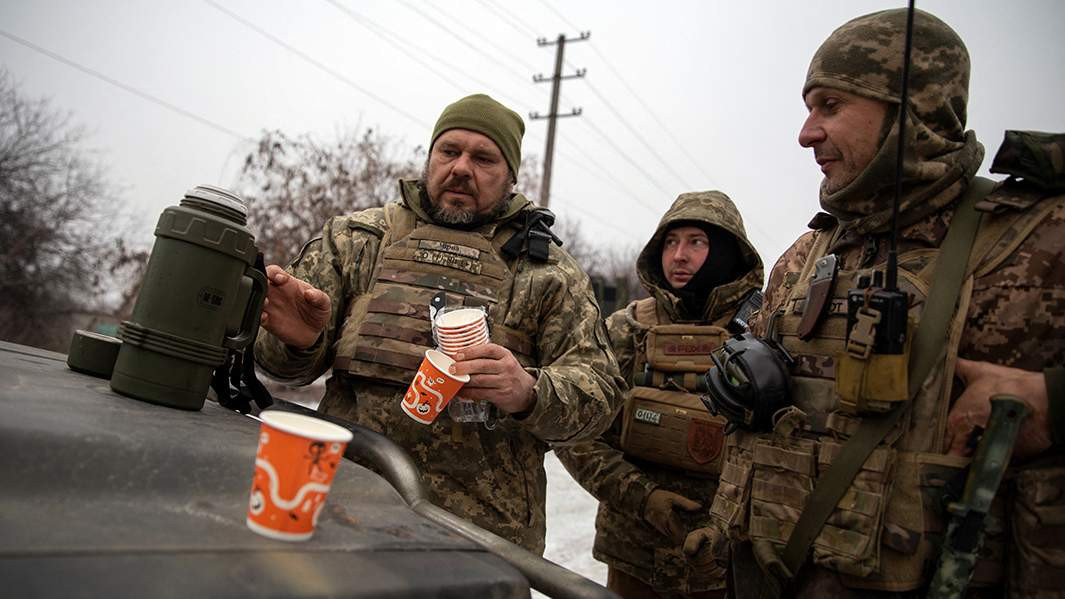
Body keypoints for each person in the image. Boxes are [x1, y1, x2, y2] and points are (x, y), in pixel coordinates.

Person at [684, 8, 1065, 598]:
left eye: (830, 106)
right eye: (808, 108)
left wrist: (1053, 400)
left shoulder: (1039, 241)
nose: (806, 133)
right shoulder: (807, 254)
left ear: (912, 108)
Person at [253, 93, 624, 554]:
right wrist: (298, 341)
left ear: (511, 176)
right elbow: (277, 367)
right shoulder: (356, 241)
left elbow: (600, 398)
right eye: (449, 151)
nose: (462, 168)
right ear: (430, 158)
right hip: (343, 507)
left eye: (484, 158)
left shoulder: (549, 273)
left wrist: (528, 391)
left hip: (479, 536)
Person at [557, 191, 764, 598]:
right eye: (670, 242)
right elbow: (574, 430)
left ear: (727, 251)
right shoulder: (626, 329)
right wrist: (643, 497)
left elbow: (783, 447)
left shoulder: (762, 334)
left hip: (728, 566)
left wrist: (726, 523)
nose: (679, 256)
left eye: (696, 242)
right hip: (634, 559)